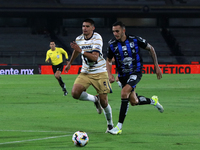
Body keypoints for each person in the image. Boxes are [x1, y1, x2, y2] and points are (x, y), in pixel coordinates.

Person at [106, 21, 164, 135]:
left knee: (124, 93)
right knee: (134, 101)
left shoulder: (135, 40)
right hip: (122, 75)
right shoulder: (112, 44)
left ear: (123, 30)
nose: (115, 33)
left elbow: (151, 49)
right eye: (113, 31)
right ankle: (153, 101)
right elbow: (108, 60)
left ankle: (118, 127)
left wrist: (156, 66)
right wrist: (110, 74)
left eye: (117, 31)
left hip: (135, 72)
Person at [64, 18, 114, 132]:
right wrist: (70, 63)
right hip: (85, 72)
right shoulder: (79, 38)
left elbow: (95, 57)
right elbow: (76, 51)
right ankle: (94, 99)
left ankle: (110, 125)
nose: (84, 28)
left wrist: (80, 51)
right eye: (83, 26)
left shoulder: (97, 38)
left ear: (93, 28)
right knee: (75, 93)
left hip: (100, 71)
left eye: (87, 26)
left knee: (104, 101)